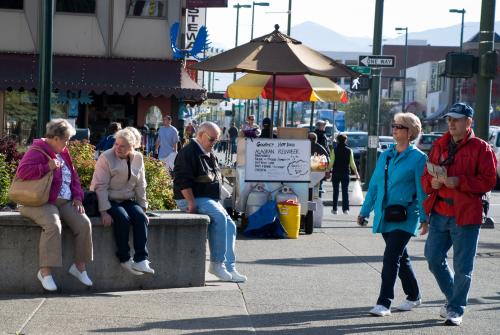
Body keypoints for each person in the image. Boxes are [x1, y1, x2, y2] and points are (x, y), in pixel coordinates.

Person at [421, 103, 497, 326]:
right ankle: (454, 298)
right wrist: (431, 183)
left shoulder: (482, 148)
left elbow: (489, 181)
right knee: (433, 258)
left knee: (464, 267)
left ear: (468, 122)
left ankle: (455, 308)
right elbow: (426, 175)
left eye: (456, 119)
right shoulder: (439, 144)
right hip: (439, 212)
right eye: (449, 120)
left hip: (465, 215)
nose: (451, 123)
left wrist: (460, 182)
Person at [357, 112, 428, 317]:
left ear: (410, 132)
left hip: (407, 215)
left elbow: (422, 191)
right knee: (400, 257)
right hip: (385, 214)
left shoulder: (418, 158)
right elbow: (375, 185)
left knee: (391, 257)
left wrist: (425, 218)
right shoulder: (386, 155)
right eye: (394, 125)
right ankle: (414, 296)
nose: (394, 129)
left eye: (399, 126)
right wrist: (365, 211)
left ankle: (384, 302)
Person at [16, 119, 93, 291]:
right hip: (41, 201)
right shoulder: (37, 150)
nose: (67, 144)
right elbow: (22, 172)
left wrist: (78, 198)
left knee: (84, 223)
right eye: (66, 139)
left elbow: (74, 178)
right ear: (56, 138)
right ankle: (45, 272)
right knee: (53, 225)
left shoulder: (63, 152)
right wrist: (46, 166)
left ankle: (79, 267)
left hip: (64, 201)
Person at [173, 121, 247, 283]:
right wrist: (191, 203)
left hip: (206, 198)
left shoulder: (207, 151)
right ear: (200, 135)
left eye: (216, 140)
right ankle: (216, 264)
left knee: (231, 225)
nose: (214, 143)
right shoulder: (188, 152)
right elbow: (181, 180)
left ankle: (229, 267)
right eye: (212, 139)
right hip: (192, 198)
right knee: (220, 217)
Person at [90, 127, 154, 275]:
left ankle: (141, 260)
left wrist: (143, 206)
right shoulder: (106, 157)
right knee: (123, 219)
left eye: (122, 146)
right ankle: (124, 258)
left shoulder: (138, 157)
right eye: (116, 144)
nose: (117, 148)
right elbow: (100, 187)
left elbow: (141, 184)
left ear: (132, 146)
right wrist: (104, 211)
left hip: (126, 198)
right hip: (108, 198)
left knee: (140, 217)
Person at [329, 133, 360, 214]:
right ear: (345, 140)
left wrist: (327, 170)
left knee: (335, 191)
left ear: (337, 140)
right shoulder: (349, 150)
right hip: (345, 173)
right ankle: (345, 209)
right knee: (345, 191)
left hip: (336, 172)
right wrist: (356, 173)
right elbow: (352, 163)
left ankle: (335, 209)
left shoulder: (334, 150)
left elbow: (331, 163)